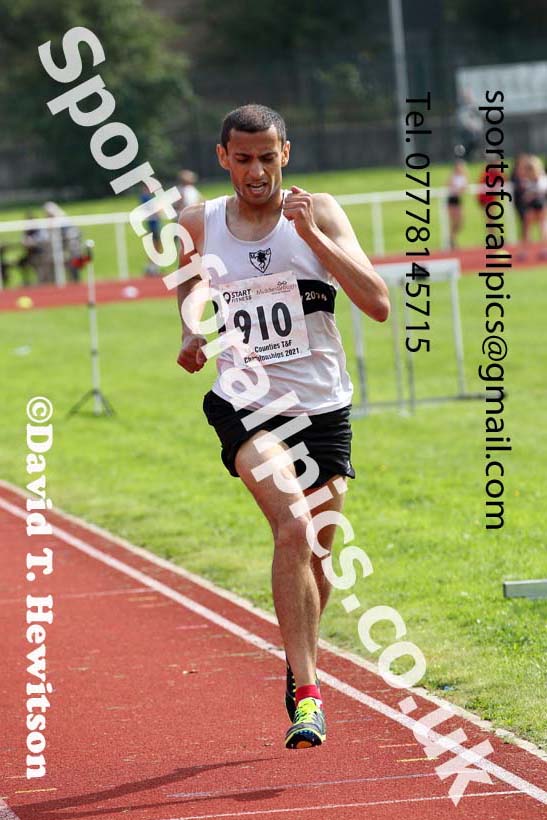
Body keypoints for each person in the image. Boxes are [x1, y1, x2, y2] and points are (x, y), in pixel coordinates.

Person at [176, 104, 389, 749]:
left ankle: (301, 665)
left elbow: (377, 303)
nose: (256, 171)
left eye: (267, 157)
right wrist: (190, 333)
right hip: (246, 404)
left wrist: (313, 237)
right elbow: (190, 292)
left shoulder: (319, 211)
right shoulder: (198, 223)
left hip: (323, 408)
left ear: (285, 155)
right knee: (293, 525)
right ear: (223, 158)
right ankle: (310, 694)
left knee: (318, 554)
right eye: (243, 159)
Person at [446, 155, 468, 249]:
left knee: (460, 221)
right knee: (454, 221)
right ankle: (451, 240)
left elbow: (464, 188)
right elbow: (449, 186)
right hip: (452, 200)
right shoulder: (453, 176)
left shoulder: (463, 177)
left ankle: (452, 237)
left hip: (458, 200)